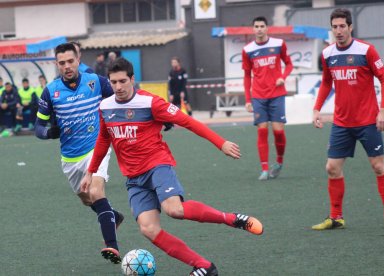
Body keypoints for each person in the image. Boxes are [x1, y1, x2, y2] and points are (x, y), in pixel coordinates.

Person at [80, 58, 264, 276]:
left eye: (122, 81)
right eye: (113, 82)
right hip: (134, 178)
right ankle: (204, 266)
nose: (118, 87)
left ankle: (232, 219)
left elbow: (188, 122)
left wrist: (220, 143)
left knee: (174, 209)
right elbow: (103, 140)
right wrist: (90, 172)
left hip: (157, 165)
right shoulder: (105, 106)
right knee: (148, 229)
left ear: (132, 79)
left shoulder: (151, 103)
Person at [34, 43, 124, 263]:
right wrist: (49, 133)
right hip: (70, 157)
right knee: (86, 199)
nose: (67, 66)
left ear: (78, 59)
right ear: (56, 64)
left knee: (96, 191)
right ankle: (114, 216)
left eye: (70, 61)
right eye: (62, 63)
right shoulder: (51, 91)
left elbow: (123, 94)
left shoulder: (95, 82)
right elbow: (38, 127)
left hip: (97, 148)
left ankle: (112, 246)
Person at [311, 8, 384, 230]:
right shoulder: (328, 54)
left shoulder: (366, 50)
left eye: (342, 26)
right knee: (331, 168)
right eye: (335, 27)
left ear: (350, 27)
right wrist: (316, 109)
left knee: (378, 166)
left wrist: (383, 110)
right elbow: (326, 83)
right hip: (342, 122)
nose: (338, 31)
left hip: (368, 121)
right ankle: (336, 217)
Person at [242, 16, 293, 181]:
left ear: (267, 28)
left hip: (277, 95)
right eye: (256, 26)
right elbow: (247, 76)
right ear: (253, 29)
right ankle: (264, 168)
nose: (259, 29)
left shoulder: (278, 44)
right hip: (258, 96)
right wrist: (248, 100)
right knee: (262, 130)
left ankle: (279, 162)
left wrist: (283, 77)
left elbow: (289, 64)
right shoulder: (248, 50)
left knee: (278, 131)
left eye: (262, 26)